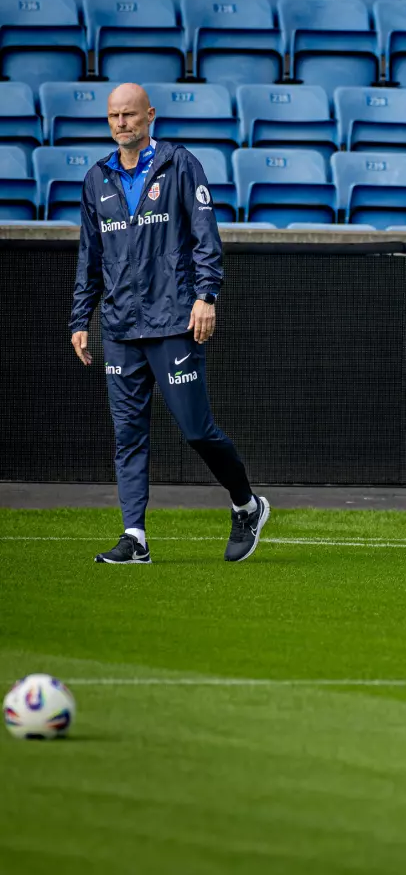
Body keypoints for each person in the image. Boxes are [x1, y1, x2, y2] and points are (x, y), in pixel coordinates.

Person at [69, 83, 269, 565]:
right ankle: (134, 537)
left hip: (173, 321)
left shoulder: (180, 165)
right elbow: (89, 258)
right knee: (128, 434)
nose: (122, 123)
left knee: (197, 430)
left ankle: (247, 505)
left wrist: (206, 297)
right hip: (120, 329)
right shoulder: (97, 180)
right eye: (114, 116)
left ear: (150, 116)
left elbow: (206, 238)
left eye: (130, 115)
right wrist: (81, 318)